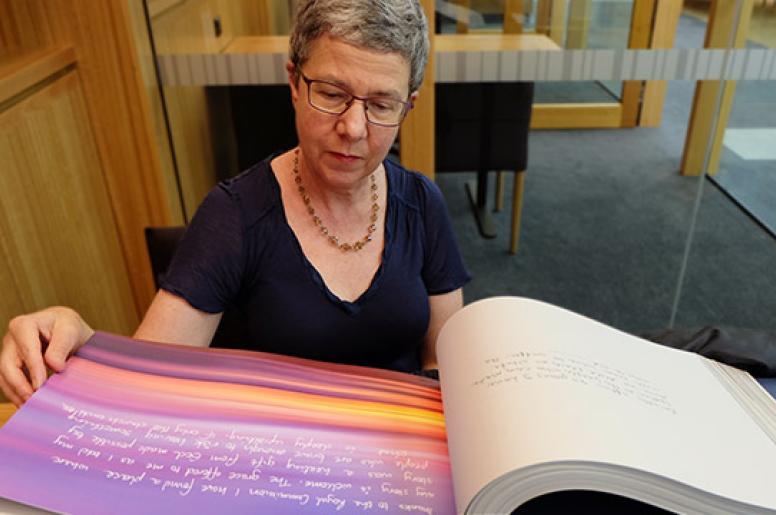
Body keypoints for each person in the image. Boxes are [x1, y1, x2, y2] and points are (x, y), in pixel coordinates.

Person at [0, 0, 470, 407]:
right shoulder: (236, 215)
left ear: (408, 105)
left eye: (381, 105)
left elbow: (439, 360)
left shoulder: (422, 204)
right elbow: (147, 377)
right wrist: (81, 340)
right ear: (294, 81)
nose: (354, 128)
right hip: (274, 463)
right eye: (331, 94)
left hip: (401, 457)